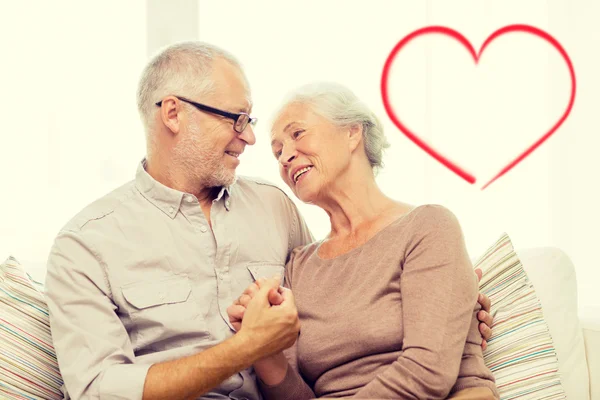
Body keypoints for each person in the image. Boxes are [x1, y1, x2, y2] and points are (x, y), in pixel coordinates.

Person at [44, 42, 493, 400]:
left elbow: (353, 291)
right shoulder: (86, 244)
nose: (252, 139)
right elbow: (99, 389)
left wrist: (451, 296)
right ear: (174, 113)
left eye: (288, 133)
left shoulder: (275, 208)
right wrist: (245, 349)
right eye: (236, 119)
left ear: (354, 132)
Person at [228, 82, 499, 399]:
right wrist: (263, 351)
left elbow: (428, 372)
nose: (285, 156)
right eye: (277, 152)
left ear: (352, 132)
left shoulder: (428, 227)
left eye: (297, 134)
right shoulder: (299, 267)